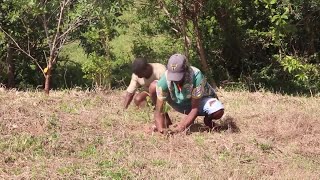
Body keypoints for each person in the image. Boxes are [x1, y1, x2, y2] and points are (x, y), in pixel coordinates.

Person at [154, 53, 224, 134]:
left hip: (199, 102)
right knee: (153, 86)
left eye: (178, 77)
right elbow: (159, 110)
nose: (175, 81)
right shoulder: (165, 78)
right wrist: (161, 130)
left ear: (186, 70)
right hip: (178, 102)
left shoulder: (197, 76)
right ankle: (165, 121)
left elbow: (195, 109)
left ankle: (207, 121)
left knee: (218, 110)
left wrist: (180, 128)